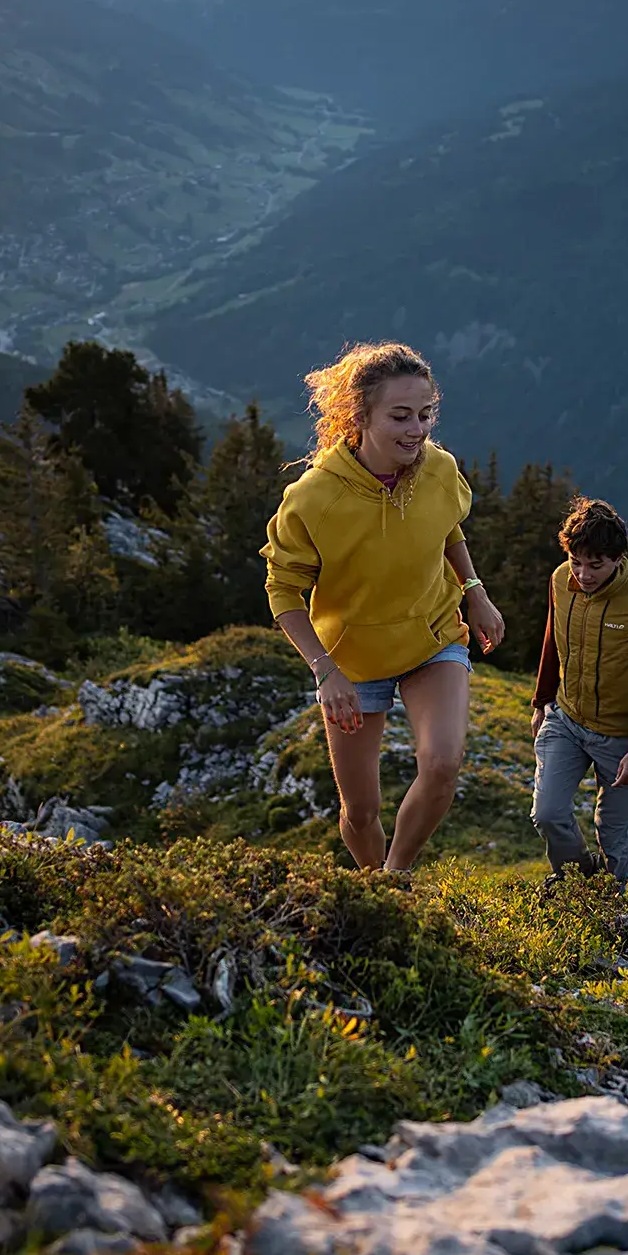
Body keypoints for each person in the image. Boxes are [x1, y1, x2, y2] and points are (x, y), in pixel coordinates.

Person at [261, 341, 505, 875]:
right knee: (361, 808)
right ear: (360, 416)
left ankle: (396, 878)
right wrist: (325, 671)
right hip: (350, 662)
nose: (416, 430)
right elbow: (282, 589)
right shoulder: (313, 498)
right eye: (400, 416)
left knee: (442, 765)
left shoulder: (437, 468)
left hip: (433, 636)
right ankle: (376, 889)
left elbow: (448, 528)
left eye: (425, 415)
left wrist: (474, 590)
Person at [529, 496, 628, 894]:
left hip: (620, 738)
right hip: (567, 720)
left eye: (595, 565)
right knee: (547, 813)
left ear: (617, 558)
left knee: (611, 831)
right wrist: (542, 702)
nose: (583, 574)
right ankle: (575, 880)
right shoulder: (561, 581)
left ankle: (610, 903)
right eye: (577, 562)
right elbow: (552, 640)